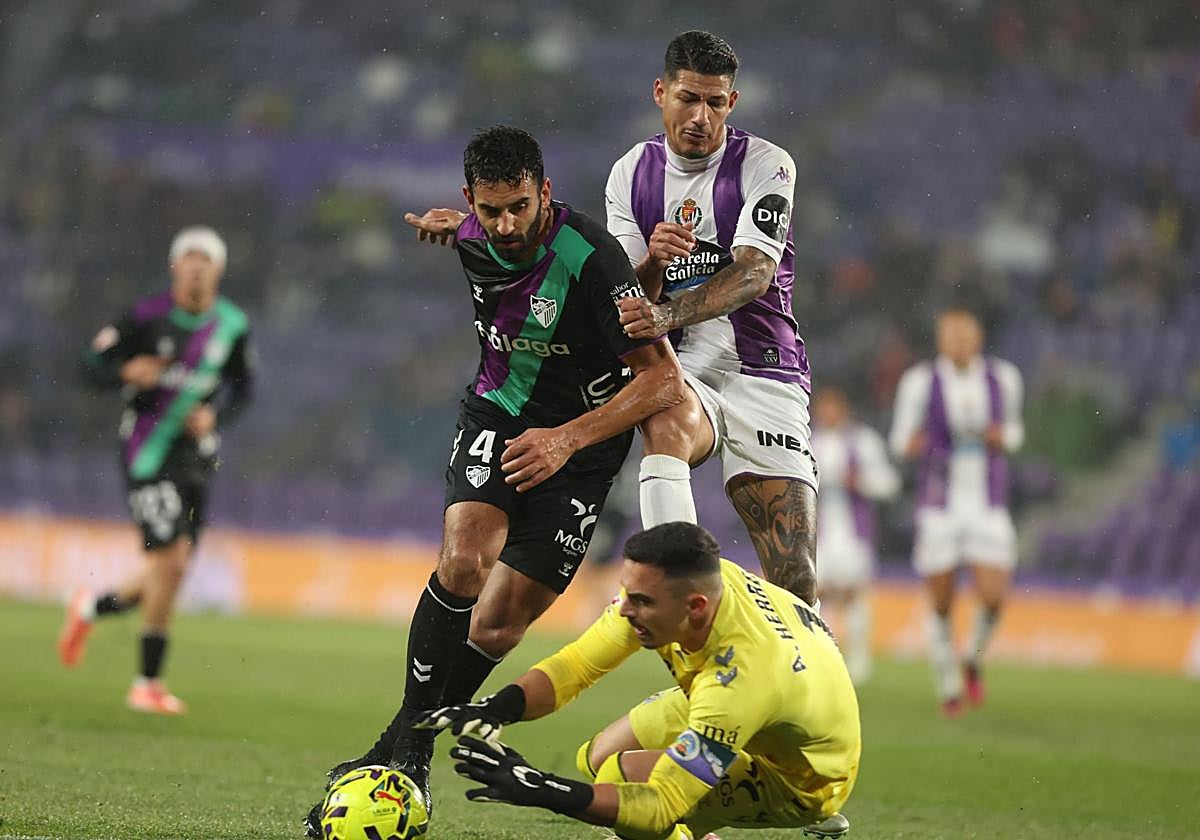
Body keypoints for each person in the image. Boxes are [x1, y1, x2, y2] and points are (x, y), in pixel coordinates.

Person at [304, 126, 692, 836]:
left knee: (502, 621)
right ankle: (413, 751)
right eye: (491, 211)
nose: (507, 225)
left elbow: (663, 381)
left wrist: (567, 439)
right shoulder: (474, 232)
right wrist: (449, 229)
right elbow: (465, 233)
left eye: (519, 206)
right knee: (464, 559)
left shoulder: (593, 257)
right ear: (469, 202)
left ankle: (394, 742)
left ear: (545, 192)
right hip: (499, 412)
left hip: (581, 443)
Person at [419, 522, 859, 840]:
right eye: (627, 592)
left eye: (641, 601)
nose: (625, 610)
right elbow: (577, 665)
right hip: (771, 705)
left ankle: (812, 814)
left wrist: (542, 789)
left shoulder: (738, 682)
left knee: (625, 784)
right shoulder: (680, 589)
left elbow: (660, 803)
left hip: (803, 773)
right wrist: (501, 707)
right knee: (596, 756)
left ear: (697, 609)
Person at [607, 30, 819, 605]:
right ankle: (676, 590)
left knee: (795, 574)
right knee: (665, 415)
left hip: (766, 369)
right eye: (688, 98)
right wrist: (652, 258)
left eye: (715, 102)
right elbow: (629, 297)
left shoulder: (767, 164)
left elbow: (754, 274)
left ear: (733, 102)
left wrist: (666, 311)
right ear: (660, 92)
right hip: (686, 369)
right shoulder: (630, 173)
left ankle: (804, 685)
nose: (700, 116)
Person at [59, 226, 254, 715]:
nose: (196, 267)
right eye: (188, 258)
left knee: (173, 566)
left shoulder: (231, 325)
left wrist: (216, 416)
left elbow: (244, 388)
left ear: (218, 270)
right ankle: (146, 682)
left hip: (197, 456)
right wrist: (123, 372)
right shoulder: (143, 318)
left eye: (205, 260)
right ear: (174, 267)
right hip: (147, 452)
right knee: (169, 559)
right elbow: (89, 365)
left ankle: (90, 608)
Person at [888, 309, 1024, 717]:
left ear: (978, 338)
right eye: (951, 335)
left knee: (994, 597)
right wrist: (918, 444)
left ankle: (973, 658)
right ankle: (948, 686)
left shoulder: (1003, 378)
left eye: (965, 334)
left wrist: (1002, 437)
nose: (959, 341)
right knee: (943, 602)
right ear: (940, 340)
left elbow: (1015, 432)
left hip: (987, 503)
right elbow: (899, 441)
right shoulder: (919, 381)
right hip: (939, 505)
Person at [810, 385, 900, 685]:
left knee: (854, 593)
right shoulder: (811, 441)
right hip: (818, 533)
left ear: (844, 409)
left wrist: (859, 481)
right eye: (824, 407)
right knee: (816, 592)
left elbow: (889, 484)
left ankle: (860, 659)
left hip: (853, 533)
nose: (828, 413)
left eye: (834, 407)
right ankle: (822, 656)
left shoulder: (863, 441)